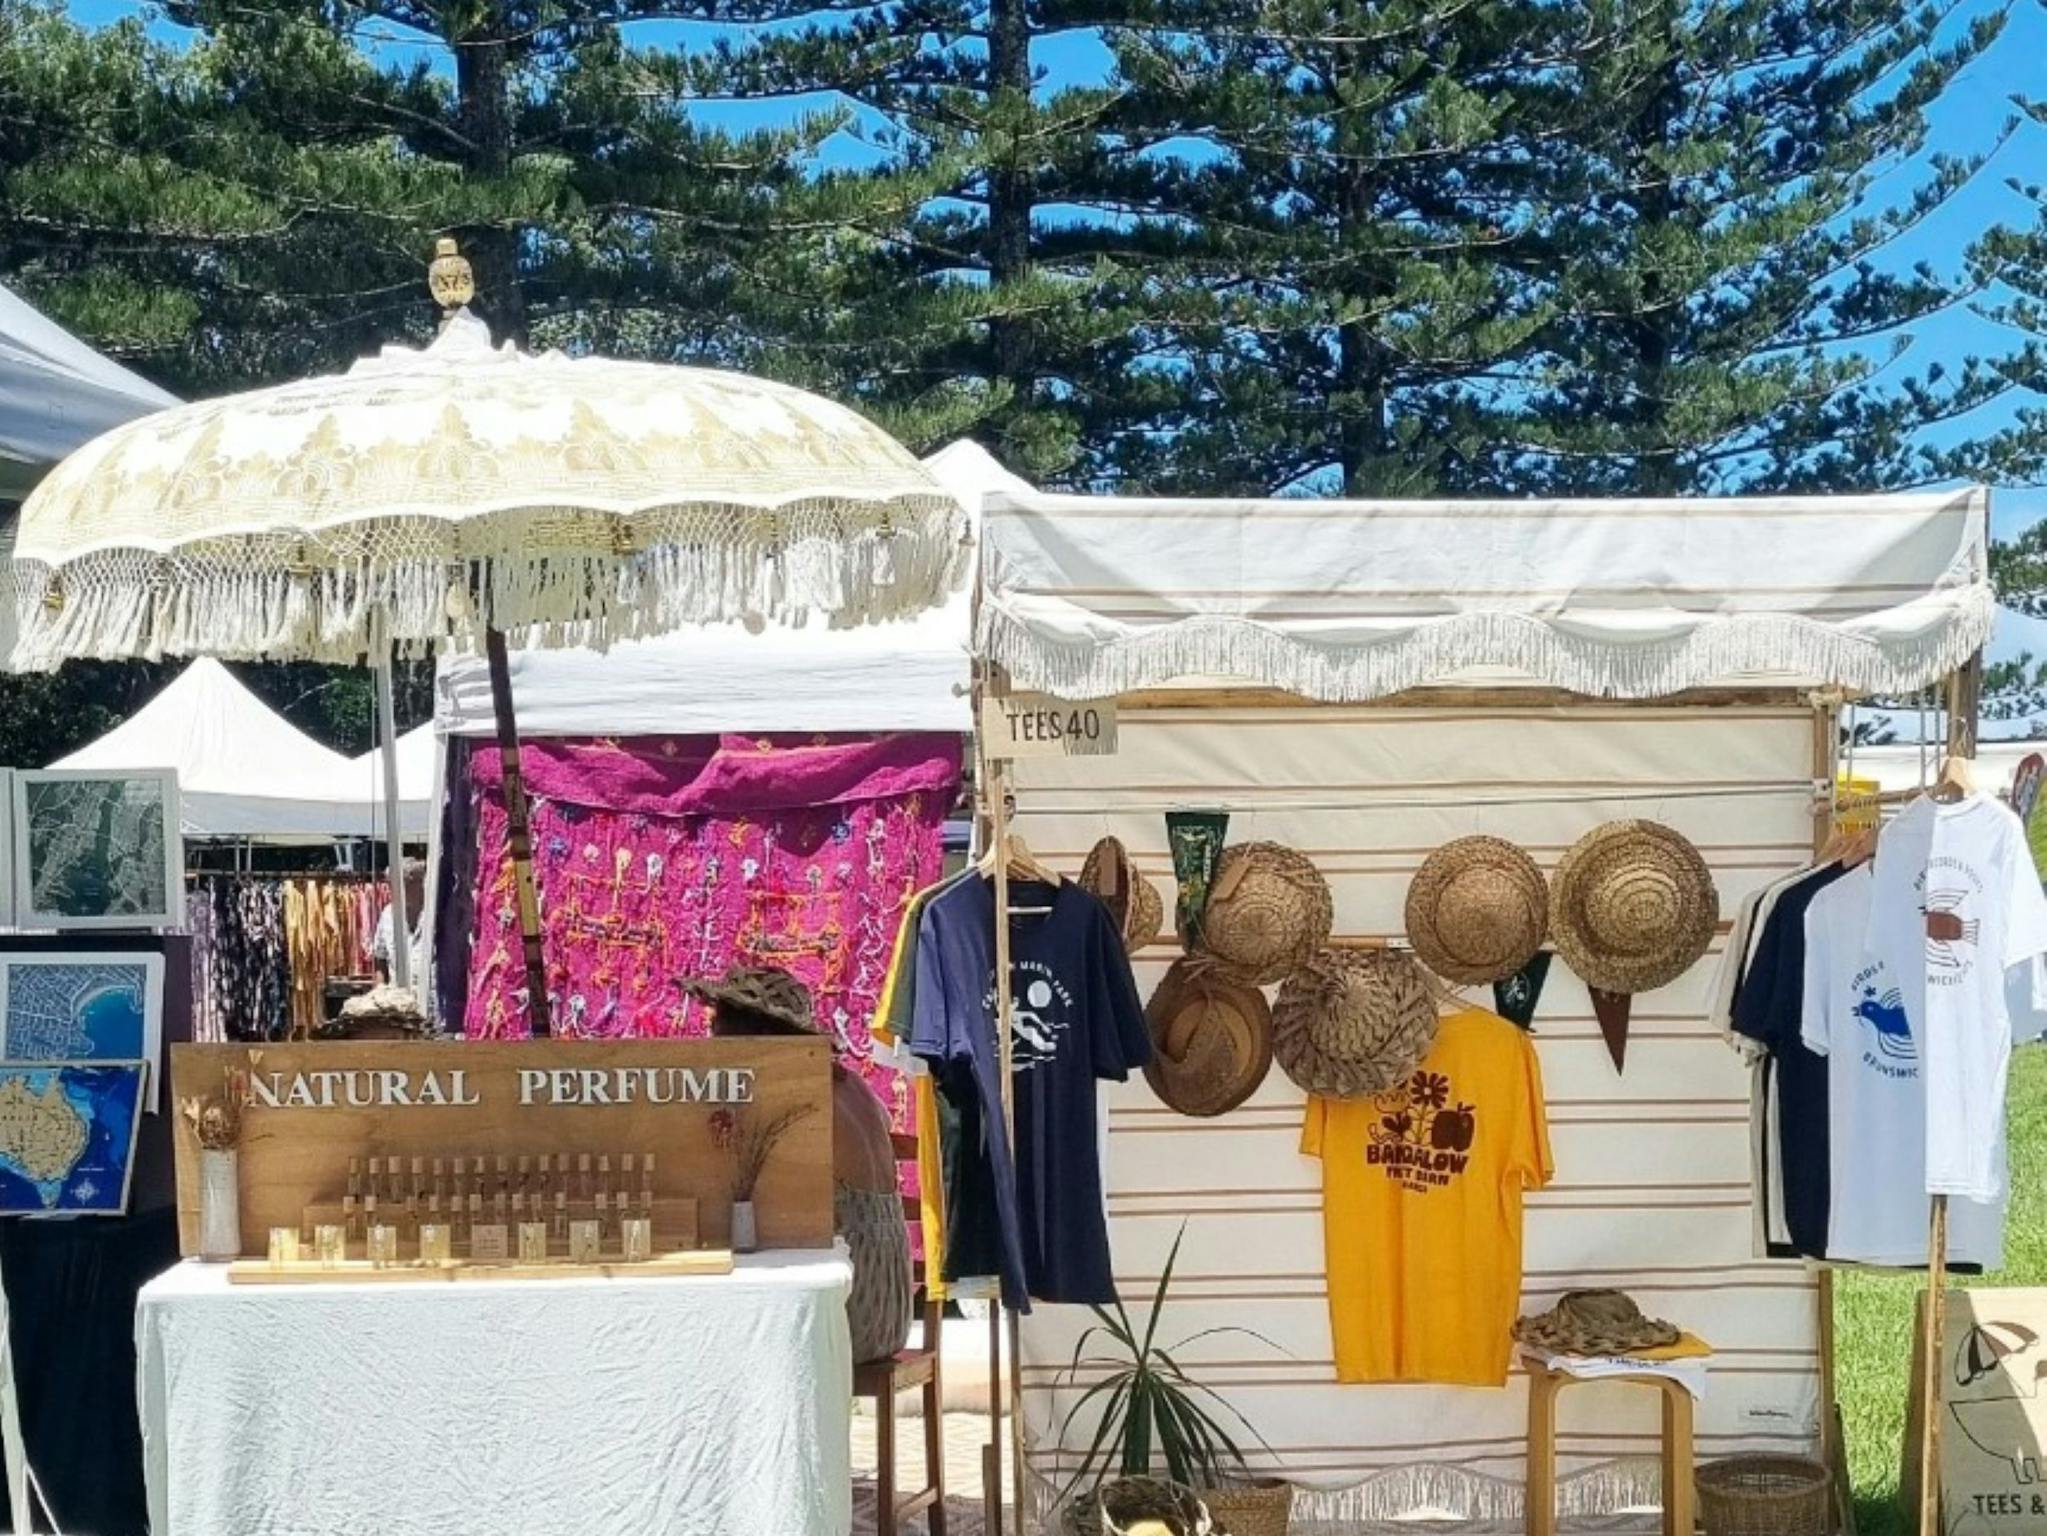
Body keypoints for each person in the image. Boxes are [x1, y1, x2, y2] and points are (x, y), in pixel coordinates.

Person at [685, 966, 911, 1366]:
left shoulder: (795, 1098)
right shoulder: (850, 1084)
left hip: (850, 1315)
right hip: (891, 1302)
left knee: (703, 1343)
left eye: (718, 1035)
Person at [371, 858, 428, 988]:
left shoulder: (436, 914)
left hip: (431, 1001)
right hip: (397, 999)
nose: (394, 891)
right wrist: (379, 992)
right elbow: (380, 958)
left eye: (407, 884)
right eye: (391, 885)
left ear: (420, 883)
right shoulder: (388, 915)